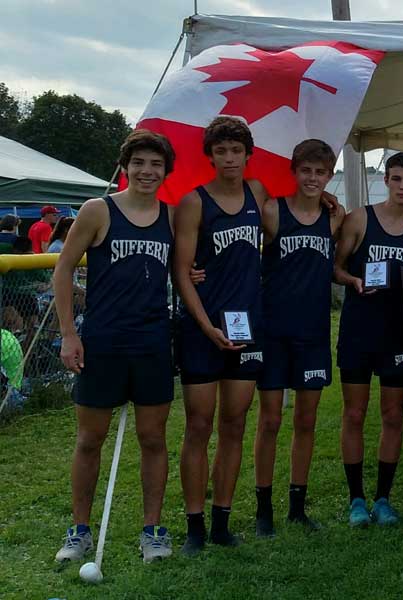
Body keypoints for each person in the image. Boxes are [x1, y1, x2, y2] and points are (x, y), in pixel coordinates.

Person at [52, 129, 177, 563]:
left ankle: (153, 531)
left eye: (156, 164)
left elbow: (182, 270)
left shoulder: (171, 216)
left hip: (152, 343)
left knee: (153, 438)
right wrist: (70, 333)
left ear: (165, 171)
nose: (147, 171)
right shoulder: (97, 210)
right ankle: (79, 530)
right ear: (125, 167)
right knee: (90, 438)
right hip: (102, 342)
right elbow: (63, 270)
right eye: (139, 162)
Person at [173, 115, 269, 555]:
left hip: (248, 326)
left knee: (235, 424)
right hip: (203, 328)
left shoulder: (258, 193)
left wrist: (325, 198)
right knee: (199, 425)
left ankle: (221, 521)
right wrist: (205, 325)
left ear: (248, 154)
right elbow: (182, 272)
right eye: (221, 151)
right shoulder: (195, 202)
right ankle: (194, 525)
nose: (229, 158)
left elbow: (290, 219)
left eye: (236, 150)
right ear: (209, 156)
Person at [252, 140, 343, 537]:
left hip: (313, 333)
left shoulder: (334, 218)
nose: (312, 178)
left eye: (320, 172)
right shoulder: (272, 211)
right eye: (306, 170)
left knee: (306, 421)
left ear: (329, 175)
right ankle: (263, 508)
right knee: (270, 420)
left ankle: (297, 507)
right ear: (295, 171)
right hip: (273, 331)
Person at [333, 151, 403, 527]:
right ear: (386, 179)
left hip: (399, 336)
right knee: (354, 413)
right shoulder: (360, 219)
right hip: (359, 331)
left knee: (393, 415)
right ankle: (356, 499)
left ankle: (383, 498)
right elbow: (335, 266)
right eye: (397, 178)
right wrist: (353, 281)